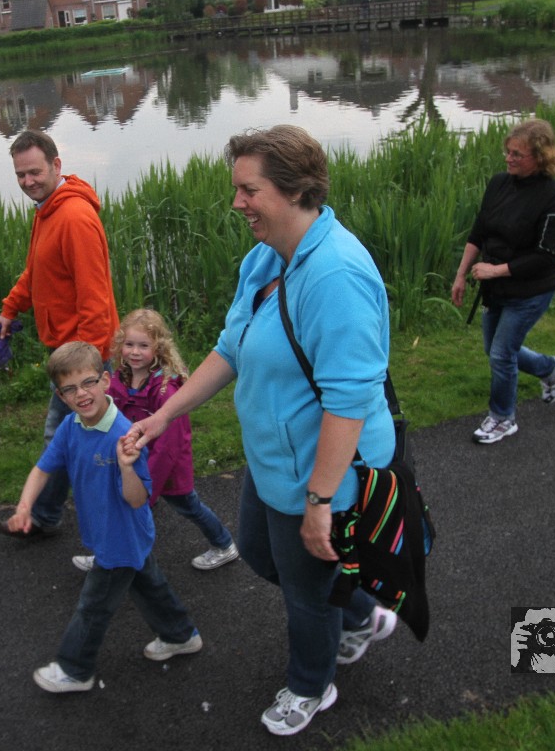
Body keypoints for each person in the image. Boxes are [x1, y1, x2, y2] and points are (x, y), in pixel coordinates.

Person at [124, 126, 399, 737]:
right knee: (256, 549)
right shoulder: (265, 258)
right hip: (276, 456)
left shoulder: (335, 276)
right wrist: (165, 413)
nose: (237, 202)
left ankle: (311, 685)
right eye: (237, 190)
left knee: (305, 591)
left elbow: (350, 401)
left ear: (296, 190)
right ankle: (361, 612)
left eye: (249, 190)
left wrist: (321, 502)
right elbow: (232, 348)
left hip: (325, 471)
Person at [5, 342, 200, 693]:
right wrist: (24, 507)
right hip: (108, 532)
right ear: (60, 396)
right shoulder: (70, 427)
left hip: (119, 537)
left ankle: (75, 669)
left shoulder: (124, 436)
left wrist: (126, 467)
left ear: (106, 381)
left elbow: (137, 499)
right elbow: (42, 468)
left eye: (88, 383)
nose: (81, 394)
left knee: (93, 607)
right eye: (69, 389)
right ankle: (181, 634)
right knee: (148, 583)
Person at [0, 130, 118, 539]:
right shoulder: (47, 211)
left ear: (56, 165)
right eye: (20, 175)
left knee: (62, 437)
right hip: (69, 354)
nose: (28, 181)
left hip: (82, 358)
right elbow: (37, 272)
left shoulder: (74, 218)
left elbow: (95, 299)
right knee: (84, 435)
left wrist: (86, 370)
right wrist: (11, 308)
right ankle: (136, 496)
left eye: (35, 172)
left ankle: (47, 516)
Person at [71, 308, 238, 573]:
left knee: (189, 506)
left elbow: (169, 447)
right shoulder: (121, 377)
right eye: (129, 344)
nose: (134, 352)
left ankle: (224, 544)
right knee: (122, 507)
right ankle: (108, 555)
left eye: (143, 346)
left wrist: (148, 487)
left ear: (158, 348)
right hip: (136, 460)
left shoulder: (165, 390)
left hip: (166, 467)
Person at [450, 119, 555, 445]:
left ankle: (503, 418)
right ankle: (551, 369)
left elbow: (547, 256)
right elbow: (479, 231)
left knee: (502, 354)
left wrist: (495, 270)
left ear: (540, 157)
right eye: (508, 152)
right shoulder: (499, 184)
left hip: (531, 290)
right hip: (497, 289)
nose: (509, 158)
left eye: (517, 154)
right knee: (494, 349)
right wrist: (461, 275)